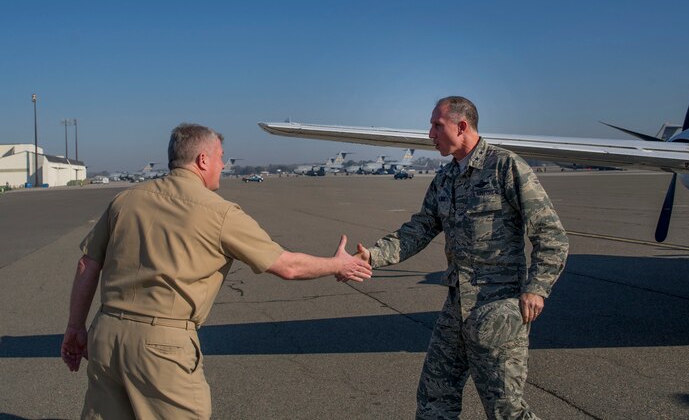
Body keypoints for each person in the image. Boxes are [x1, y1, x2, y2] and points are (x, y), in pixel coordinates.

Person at [61, 123, 372, 419]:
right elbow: (287, 267)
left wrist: (76, 327)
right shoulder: (219, 212)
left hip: (106, 336)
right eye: (221, 158)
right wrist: (339, 263)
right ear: (202, 159)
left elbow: (87, 264)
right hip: (162, 346)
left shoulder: (125, 200)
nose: (223, 165)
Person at [345, 97, 568, 419]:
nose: (430, 133)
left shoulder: (505, 166)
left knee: (506, 409)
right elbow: (420, 228)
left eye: (437, 125)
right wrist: (372, 256)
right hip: (456, 307)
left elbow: (551, 234)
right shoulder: (446, 178)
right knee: (434, 395)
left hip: (498, 306)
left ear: (461, 126)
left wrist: (537, 288)